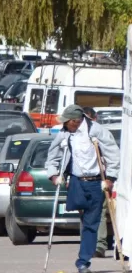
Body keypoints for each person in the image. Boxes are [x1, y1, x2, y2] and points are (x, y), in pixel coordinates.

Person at [45, 105, 120, 273]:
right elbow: (52, 156)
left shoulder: (97, 131)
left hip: (95, 182)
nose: (63, 124)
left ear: (75, 121)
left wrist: (110, 178)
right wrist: (54, 175)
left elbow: (113, 154)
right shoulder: (64, 133)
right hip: (76, 182)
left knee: (91, 223)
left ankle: (83, 262)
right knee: (84, 217)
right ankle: (86, 249)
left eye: (66, 122)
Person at [82, 107, 109, 258]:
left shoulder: (101, 135)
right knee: (86, 213)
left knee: (99, 212)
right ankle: (89, 244)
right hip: (82, 179)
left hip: (99, 178)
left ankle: (98, 245)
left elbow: (110, 155)